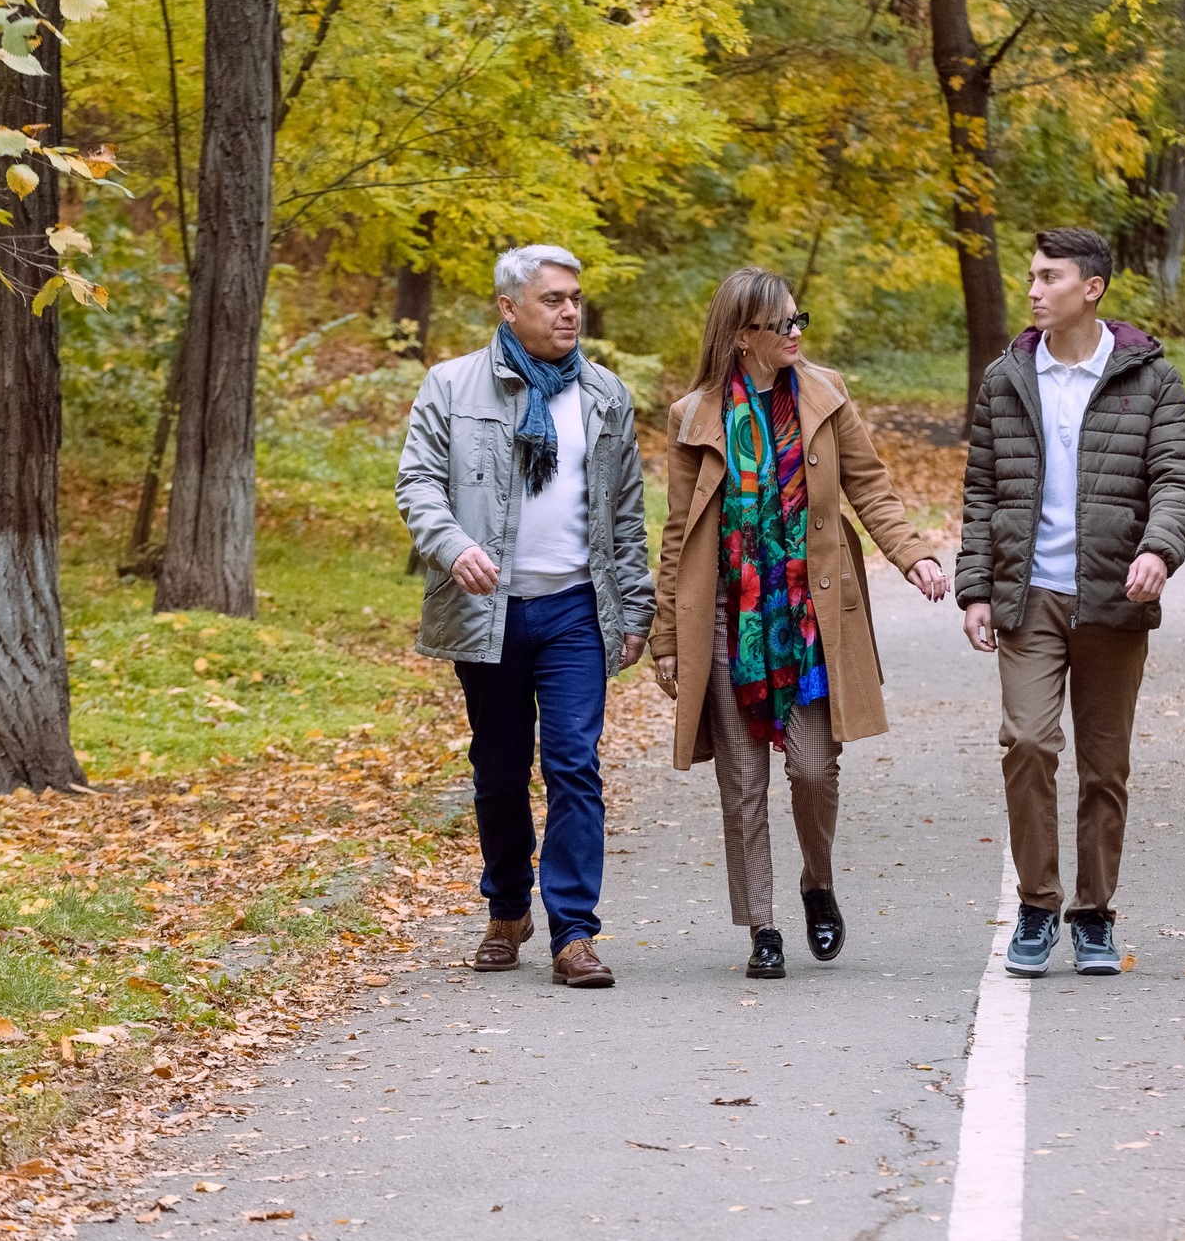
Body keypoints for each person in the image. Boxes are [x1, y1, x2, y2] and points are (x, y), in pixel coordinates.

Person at [650, 267, 951, 979]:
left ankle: (818, 881)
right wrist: (666, 635)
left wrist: (915, 557)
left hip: (809, 618)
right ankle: (762, 927)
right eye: (783, 323)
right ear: (742, 333)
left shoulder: (827, 394)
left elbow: (871, 489)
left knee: (813, 769)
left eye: (797, 320)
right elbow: (676, 533)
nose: (796, 333)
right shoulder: (693, 415)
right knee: (742, 783)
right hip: (728, 622)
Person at [395, 244, 652, 989]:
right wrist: (451, 547)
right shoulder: (450, 385)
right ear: (509, 308)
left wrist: (635, 608)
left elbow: (626, 512)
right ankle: (507, 907)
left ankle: (574, 932)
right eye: (553, 299)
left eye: (575, 298)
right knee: (500, 770)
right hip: (488, 611)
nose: (570, 311)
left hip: (575, 607)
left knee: (574, 761)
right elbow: (417, 483)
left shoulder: (604, 395)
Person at [959, 226, 1185, 978]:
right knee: (1027, 742)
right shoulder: (1007, 377)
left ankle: (1093, 914)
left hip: (1112, 597)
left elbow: (1178, 481)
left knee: (1105, 767)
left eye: (1049, 277)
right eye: (1031, 276)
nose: (1033, 289)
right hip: (1028, 596)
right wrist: (975, 589)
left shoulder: (1150, 378)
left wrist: (1158, 550)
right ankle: (1037, 907)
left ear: (1091, 288)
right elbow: (982, 491)